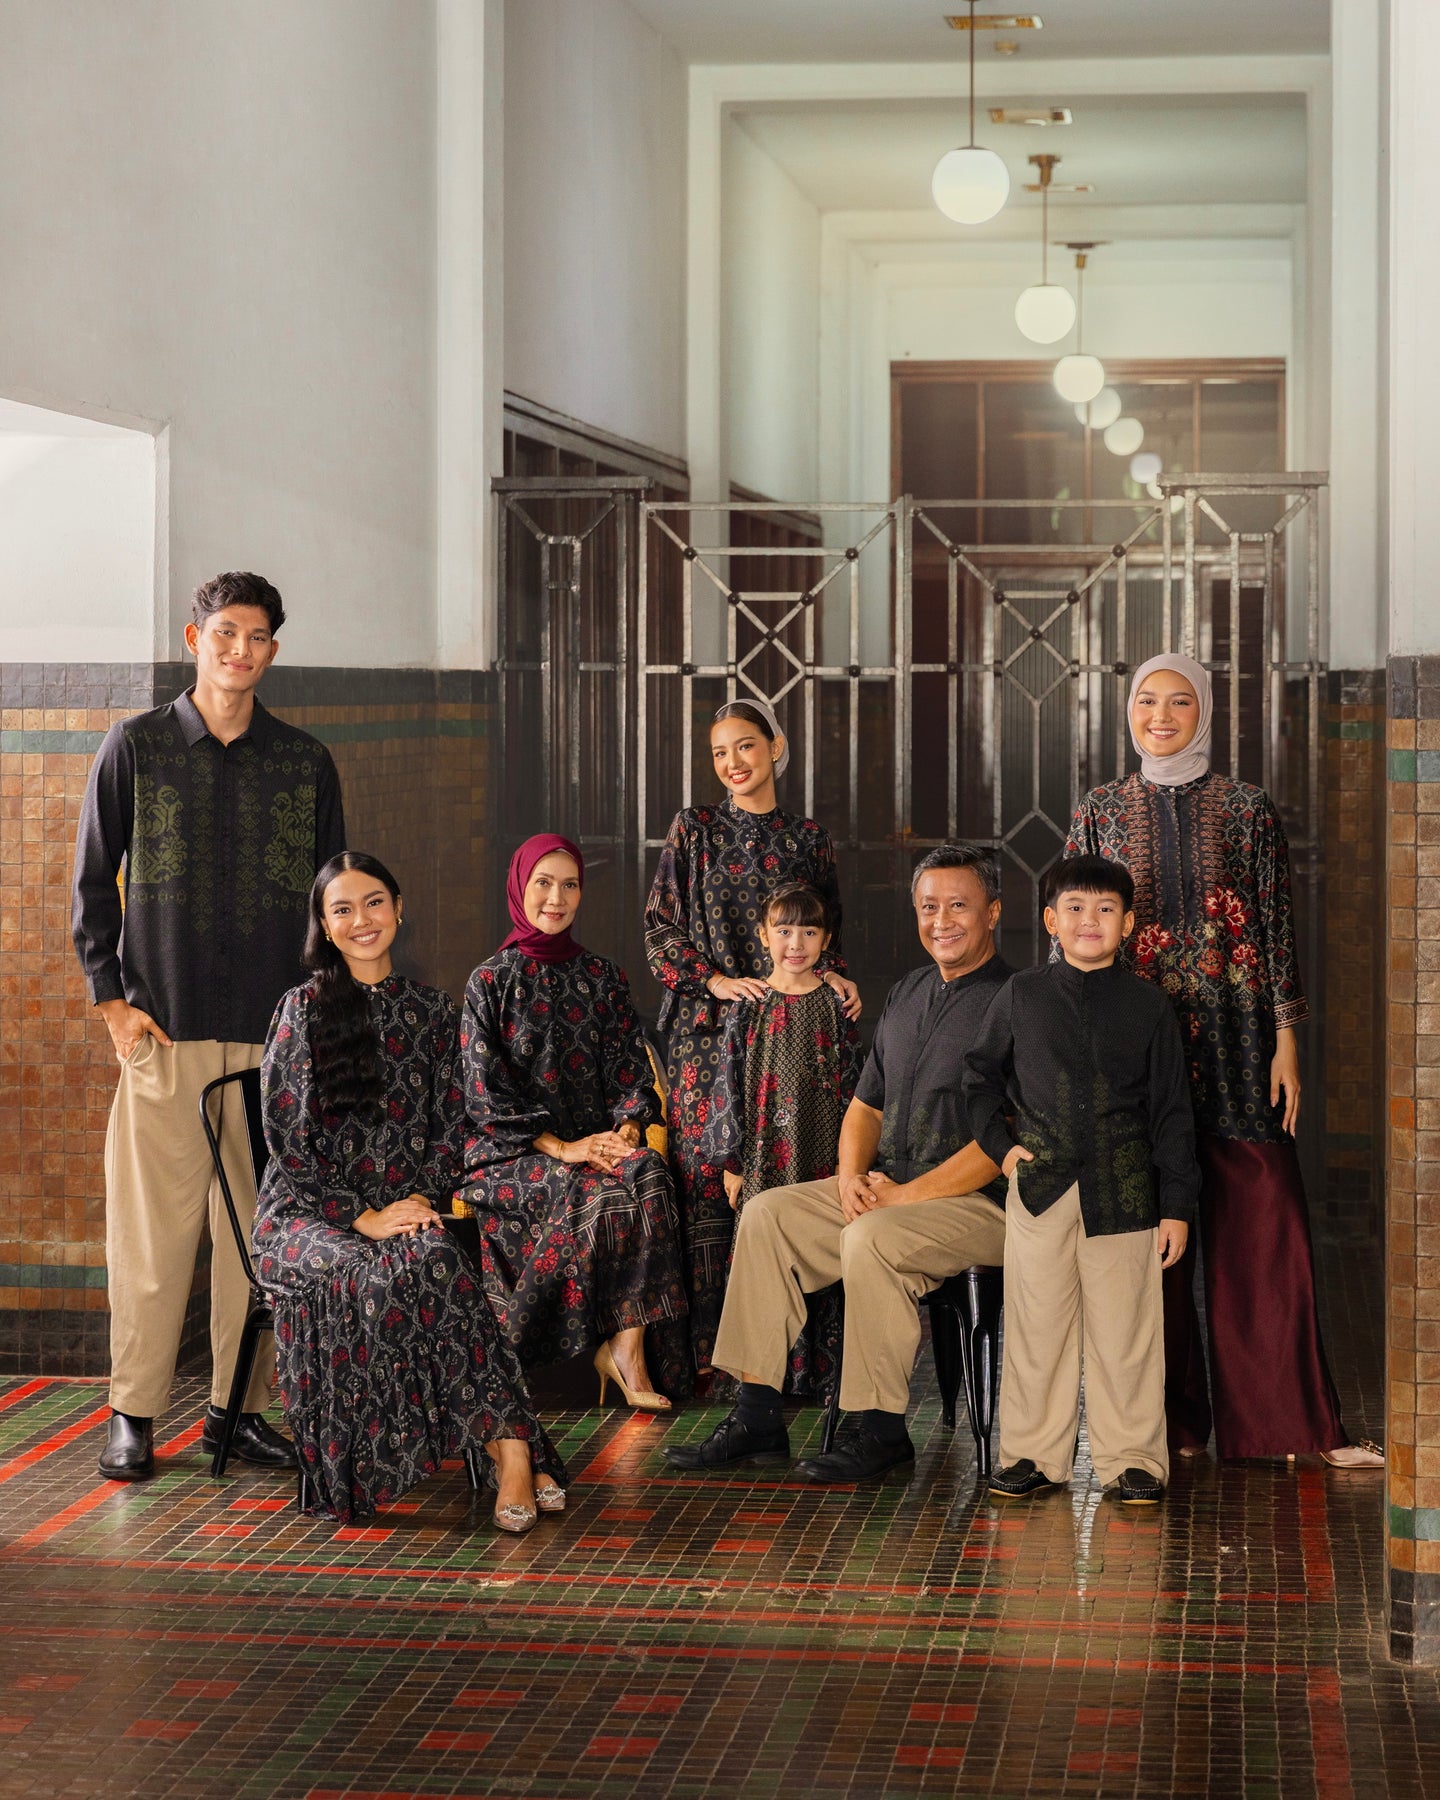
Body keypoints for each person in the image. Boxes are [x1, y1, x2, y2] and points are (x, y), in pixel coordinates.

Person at [1067, 653, 1382, 1468]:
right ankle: (1167, 1425)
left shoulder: (1247, 808)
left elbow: (1275, 928)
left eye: (1179, 702)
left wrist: (1287, 1041)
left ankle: (1292, 1426)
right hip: (1137, 1047)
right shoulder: (1100, 809)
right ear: (1127, 711)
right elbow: (1074, 928)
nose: (1160, 716)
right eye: (1146, 700)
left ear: (1205, 710)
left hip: (1239, 1043)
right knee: (1151, 1237)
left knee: (1264, 1227)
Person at [72, 571, 345, 1482]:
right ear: (195, 639)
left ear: (273, 649)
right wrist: (114, 1005)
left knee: (255, 1239)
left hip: (275, 1041)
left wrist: (317, 1020)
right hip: (165, 1032)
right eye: (225, 632)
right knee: (151, 1241)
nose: (240, 650)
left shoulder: (305, 762)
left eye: (257, 636)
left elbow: (332, 898)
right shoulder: (136, 747)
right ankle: (133, 1413)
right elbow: (91, 885)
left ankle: (238, 1413)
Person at [665, 843, 1010, 1483]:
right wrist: (851, 1178)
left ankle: (880, 1430)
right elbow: (865, 1107)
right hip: (890, 1189)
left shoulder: (1017, 1001)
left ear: (992, 912)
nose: (941, 921)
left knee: (871, 1236)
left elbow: (1003, 1141)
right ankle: (757, 1415)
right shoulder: (907, 992)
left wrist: (900, 1198)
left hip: (981, 1206)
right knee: (767, 1214)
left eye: (958, 906)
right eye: (928, 907)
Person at [255, 852, 567, 1531]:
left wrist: (420, 1201)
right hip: (306, 1220)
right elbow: (288, 1140)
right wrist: (360, 1216)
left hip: (401, 1212)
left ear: (399, 908)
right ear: (324, 926)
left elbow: (451, 1130)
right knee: (391, 1271)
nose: (361, 920)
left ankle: (510, 1450)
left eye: (374, 902)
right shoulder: (301, 1010)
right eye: (342, 909)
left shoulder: (430, 1010)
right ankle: (513, 1449)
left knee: (432, 1258)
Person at [964, 855, 1198, 1506]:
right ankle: (1031, 1456)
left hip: (1125, 1193)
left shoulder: (1149, 1006)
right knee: (1036, 1329)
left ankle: (1134, 1462)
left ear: (1128, 924)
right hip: (1039, 1190)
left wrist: (1177, 1205)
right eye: (1074, 907)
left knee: (1127, 1334)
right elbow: (977, 1079)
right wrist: (1004, 1152)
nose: (1088, 920)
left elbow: (1173, 1113)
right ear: (1050, 921)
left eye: (1104, 909)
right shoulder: (1022, 995)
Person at [644, 699, 861, 1386]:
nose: (733, 762)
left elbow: (827, 929)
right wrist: (714, 981)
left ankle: (797, 1369)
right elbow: (659, 932)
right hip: (706, 1038)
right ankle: (716, 1366)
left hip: (790, 1034)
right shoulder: (694, 828)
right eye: (719, 752)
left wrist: (834, 976)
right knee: (713, 1190)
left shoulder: (808, 838)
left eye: (745, 746)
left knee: (792, 1184)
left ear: (776, 746)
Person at [459, 834, 689, 1408]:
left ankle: (627, 1350)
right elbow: (484, 1099)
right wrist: (565, 1149)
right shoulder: (489, 982)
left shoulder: (603, 977)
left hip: (595, 1148)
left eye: (569, 885)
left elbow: (631, 1073)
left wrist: (626, 1132)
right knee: (600, 1196)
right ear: (519, 887)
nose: (556, 898)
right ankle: (541, 1355)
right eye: (543, 883)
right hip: (510, 1158)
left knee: (650, 1173)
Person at [698, 881, 863, 1399]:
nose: (796, 943)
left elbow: (857, 1089)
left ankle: (819, 1374)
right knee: (761, 1255)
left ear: (826, 939)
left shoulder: (837, 1004)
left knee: (823, 1254)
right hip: (763, 1154)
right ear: (765, 935)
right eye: (784, 931)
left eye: (809, 932)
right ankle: (760, 1381)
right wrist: (732, 1163)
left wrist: (854, 1162)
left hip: (823, 1156)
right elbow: (728, 1082)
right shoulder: (749, 1003)